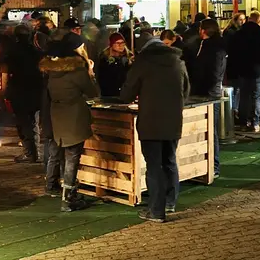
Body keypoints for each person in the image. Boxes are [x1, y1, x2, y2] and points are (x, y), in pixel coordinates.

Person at [120, 35, 189, 222]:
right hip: (173, 121)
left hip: (150, 122)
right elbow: (186, 91)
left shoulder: (143, 64)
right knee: (170, 161)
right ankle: (170, 202)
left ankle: (157, 211)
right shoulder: (178, 63)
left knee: (154, 165)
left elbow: (127, 94)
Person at [39, 32, 99, 212]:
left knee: (60, 154)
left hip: (57, 116)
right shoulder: (77, 71)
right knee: (73, 157)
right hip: (74, 117)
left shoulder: (52, 73)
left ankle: (62, 189)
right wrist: (90, 72)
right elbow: (92, 92)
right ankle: (68, 199)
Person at [190, 19, 227, 177]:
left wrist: (204, 89)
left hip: (208, 93)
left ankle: (214, 165)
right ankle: (205, 165)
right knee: (204, 129)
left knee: (210, 130)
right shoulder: (206, 46)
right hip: (206, 91)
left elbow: (213, 72)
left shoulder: (213, 48)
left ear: (204, 30)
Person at [6, 25, 44, 163]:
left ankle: (30, 152)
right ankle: (36, 152)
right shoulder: (36, 52)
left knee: (24, 123)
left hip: (20, 92)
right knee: (33, 121)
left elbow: (8, 73)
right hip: (35, 91)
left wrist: (7, 91)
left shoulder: (12, 52)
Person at [230, 10, 260, 132]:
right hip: (257, 69)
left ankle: (243, 122)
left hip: (242, 69)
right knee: (255, 97)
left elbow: (232, 52)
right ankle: (255, 122)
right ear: (258, 20)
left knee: (243, 96)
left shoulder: (238, 34)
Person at [223, 12, 246, 118]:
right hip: (234, 63)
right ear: (235, 20)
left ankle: (233, 110)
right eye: (240, 19)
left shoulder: (235, 32)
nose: (243, 21)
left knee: (236, 88)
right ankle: (233, 110)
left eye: (244, 19)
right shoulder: (232, 32)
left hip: (235, 63)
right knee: (234, 88)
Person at [96, 32, 133, 97]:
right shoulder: (104, 59)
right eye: (118, 43)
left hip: (126, 93)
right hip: (109, 94)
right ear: (111, 44)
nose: (121, 45)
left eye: (122, 43)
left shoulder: (129, 57)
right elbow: (102, 79)